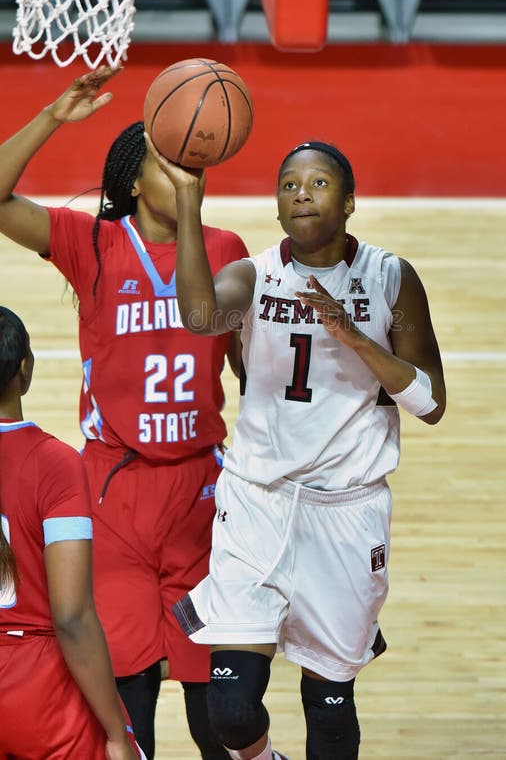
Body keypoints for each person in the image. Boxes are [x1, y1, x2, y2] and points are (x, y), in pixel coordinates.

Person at [156, 139, 447, 760]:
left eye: (318, 184)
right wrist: (188, 202)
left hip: (347, 512)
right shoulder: (256, 275)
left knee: (331, 706)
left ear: (349, 201)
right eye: (289, 185)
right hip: (256, 502)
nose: (302, 194)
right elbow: (200, 317)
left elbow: (430, 403)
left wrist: (354, 336)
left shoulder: (391, 278)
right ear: (277, 205)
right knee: (231, 712)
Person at [0, 68, 248, 760]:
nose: (191, 176)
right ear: (135, 181)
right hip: (114, 494)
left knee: (219, 718)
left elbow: (244, 369)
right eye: (174, 166)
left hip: (202, 494)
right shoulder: (93, 244)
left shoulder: (225, 249)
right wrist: (53, 116)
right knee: (128, 699)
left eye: (195, 164)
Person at [0, 306, 144, 760]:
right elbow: (72, 617)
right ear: (26, 368)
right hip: (38, 690)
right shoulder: (54, 464)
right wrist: (116, 731)